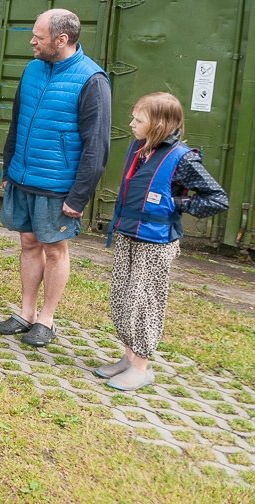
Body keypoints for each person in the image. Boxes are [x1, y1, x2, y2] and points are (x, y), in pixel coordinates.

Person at [0, 8, 111, 347]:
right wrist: (10, 166)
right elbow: (18, 121)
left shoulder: (92, 79)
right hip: (23, 178)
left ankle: (46, 319)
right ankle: (25, 313)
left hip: (57, 185)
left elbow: (97, 145)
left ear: (61, 40)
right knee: (28, 244)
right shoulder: (32, 69)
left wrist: (78, 196)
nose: (32, 41)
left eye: (38, 37)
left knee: (55, 250)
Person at [96, 93, 227, 391]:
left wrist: (176, 202)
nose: (131, 124)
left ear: (158, 124)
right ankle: (129, 357)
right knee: (121, 300)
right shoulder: (139, 149)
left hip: (155, 243)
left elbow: (217, 198)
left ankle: (141, 368)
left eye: (138, 120)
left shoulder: (182, 158)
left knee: (143, 302)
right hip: (128, 234)